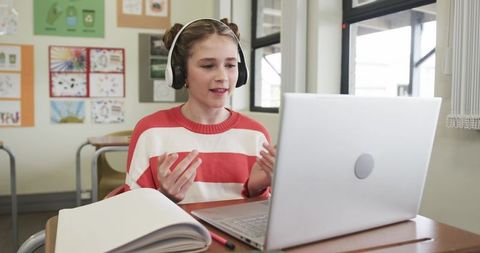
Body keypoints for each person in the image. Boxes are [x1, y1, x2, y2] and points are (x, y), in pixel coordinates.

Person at [124, 18, 276, 204]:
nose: (222, 77)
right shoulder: (151, 132)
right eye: (208, 66)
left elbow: (259, 218)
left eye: (230, 65)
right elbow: (133, 212)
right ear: (180, 72)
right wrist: (165, 198)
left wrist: (256, 189)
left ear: (241, 72)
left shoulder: (256, 135)